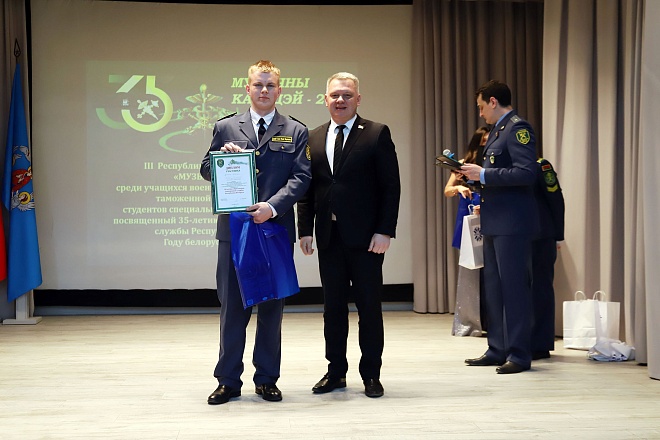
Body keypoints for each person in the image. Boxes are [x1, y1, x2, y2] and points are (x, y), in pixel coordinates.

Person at [200, 60, 311, 404]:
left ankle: (266, 378)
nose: (264, 90)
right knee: (233, 308)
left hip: (274, 230)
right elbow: (205, 169)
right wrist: (221, 157)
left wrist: (272, 207)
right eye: (258, 85)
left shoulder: (295, 130)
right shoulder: (226, 127)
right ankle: (228, 380)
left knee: (272, 309)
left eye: (270, 85)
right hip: (235, 232)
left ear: (280, 90)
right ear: (247, 88)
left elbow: (302, 178)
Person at [297, 72, 401, 397]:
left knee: (369, 309)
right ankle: (335, 372)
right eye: (334, 95)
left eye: (346, 95)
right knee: (333, 310)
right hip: (329, 238)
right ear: (325, 100)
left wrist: (385, 230)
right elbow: (307, 189)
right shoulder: (313, 137)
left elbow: (390, 187)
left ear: (358, 99)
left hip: (367, 240)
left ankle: (371, 374)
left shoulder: (376, 133)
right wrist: (305, 230)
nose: (340, 100)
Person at [460, 80, 539, 374]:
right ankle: (497, 348)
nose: (481, 113)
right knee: (494, 289)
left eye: (481, 107)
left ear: (493, 101)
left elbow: (526, 173)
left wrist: (485, 175)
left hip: (512, 223)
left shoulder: (518, 128)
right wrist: (476, 179)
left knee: (514, 289)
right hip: (494, 220)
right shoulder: (497, 130)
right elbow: (497, 174)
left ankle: (518, 354)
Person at [444, 126, 489, 337]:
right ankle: (470, 320)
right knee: (470, 266)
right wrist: (459, 188)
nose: (485, 145)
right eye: (483, 142)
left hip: (490, 212)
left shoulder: (493, 163)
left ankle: (490, 319)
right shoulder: (463, 163)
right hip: (470, 214)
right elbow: (447, 190)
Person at [531, 157, 565, 360]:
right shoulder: (505, 168)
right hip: (515, 237)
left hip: (541, 236)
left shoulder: (540, 166)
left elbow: (555, 199)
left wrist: (557, 235)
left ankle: (540, 344)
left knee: (540, 289)